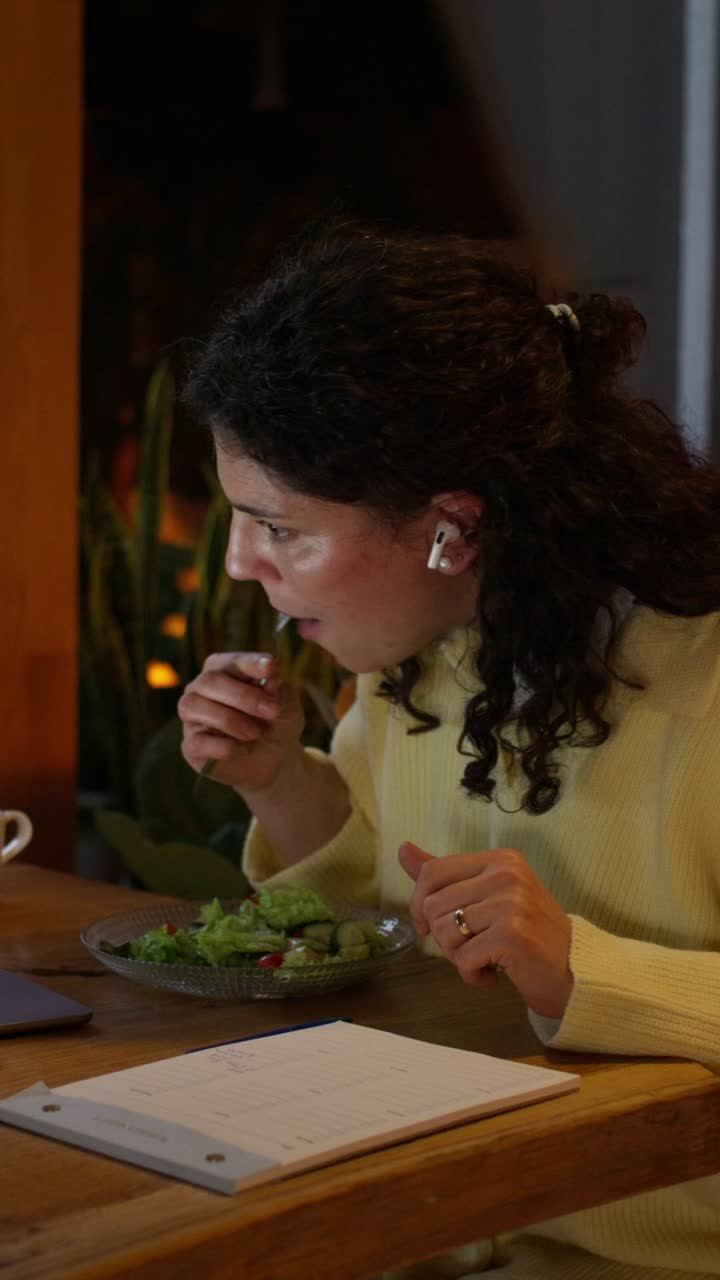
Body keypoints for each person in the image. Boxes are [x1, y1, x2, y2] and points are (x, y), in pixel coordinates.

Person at [178, 222, 720, 1280]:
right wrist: (280, 779)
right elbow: (378, 911)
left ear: (451, 528)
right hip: (417, 1226)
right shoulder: (422, 652)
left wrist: (584, 969)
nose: (244, 562)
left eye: (280, 527)